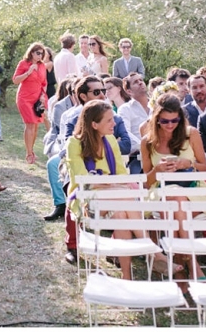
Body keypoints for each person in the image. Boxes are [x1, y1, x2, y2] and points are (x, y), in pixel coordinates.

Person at [64, 100, 151, 280]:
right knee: (125, 198)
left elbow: (122, 174)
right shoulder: (74, 143)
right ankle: (152, 251)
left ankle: (127, 275)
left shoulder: (111, 140)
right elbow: (83, 179)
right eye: (109, 120)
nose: (115, 124)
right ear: (94, 124)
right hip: (86, 200)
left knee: (120, 215)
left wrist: (104, 181)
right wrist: (109, 182)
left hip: (114, 197)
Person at [141, 93, 206, 283]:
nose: (170, 125)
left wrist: (188, 164)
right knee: (174, 199)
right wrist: (157, 170)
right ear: (156, 119)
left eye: (174, 120)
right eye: (165, 121)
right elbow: (146, 182)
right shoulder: (147, 141)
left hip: (192, 191)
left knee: (175, 202)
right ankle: (191, 262)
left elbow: (205, 168)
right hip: (160, 191)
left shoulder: (191, 134)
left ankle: (178, 267)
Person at [12, 42, 48, 164]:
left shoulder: (42, 66)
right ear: (32, 52)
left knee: (36, 125)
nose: (40, 56)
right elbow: (15, 80)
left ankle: (31, 151)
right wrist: (28, 72)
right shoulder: (23, 63)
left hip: (37, 98)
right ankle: (28, 153)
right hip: (24, 98)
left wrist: (43, 95)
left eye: (42, 54)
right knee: (30, 124)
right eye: (38, 53)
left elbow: (44, 83)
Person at [118, 72, 151, 174]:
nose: (140, 83)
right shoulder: (125, 109)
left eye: (141, 80)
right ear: (129, 91)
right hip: (137, 157)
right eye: (135, 82)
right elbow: (126, 133)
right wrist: (144, 146)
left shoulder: (156, 105)